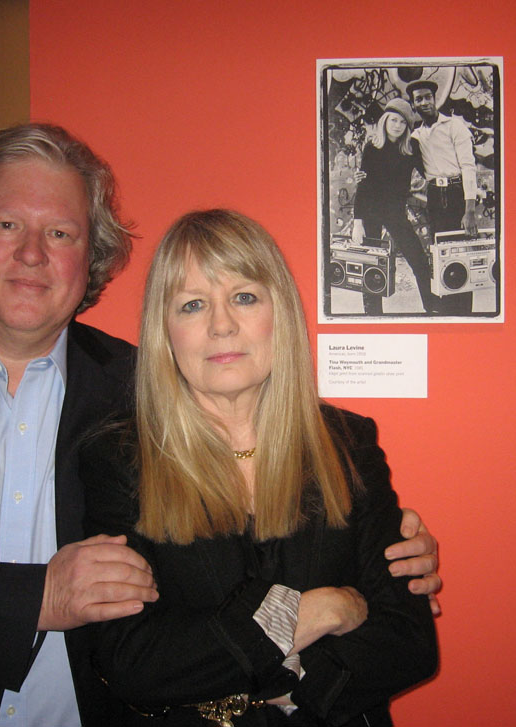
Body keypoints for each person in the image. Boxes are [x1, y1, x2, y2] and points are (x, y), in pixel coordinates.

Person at [0, 124, 439, 727]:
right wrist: (33, 599)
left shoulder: (138, 386)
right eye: (7, 224)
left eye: (61, 234)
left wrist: (391, 563)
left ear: (93, 258)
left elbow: (394, 621)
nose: (31, 253)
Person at [80, 209, 438, 726]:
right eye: (193, 304)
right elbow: (131, 660)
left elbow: (408, 640)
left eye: (244, 297)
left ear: (281, 312)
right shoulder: (119, 458)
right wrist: (312, 613)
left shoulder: (347, 444)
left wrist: (297, 691)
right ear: (165, 331)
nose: (222, 324)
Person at [352, 98, 439, 315]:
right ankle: (373, 314)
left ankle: (432, 308)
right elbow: (364, 186)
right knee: (372, 265)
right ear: (385, 120)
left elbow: (429, 172)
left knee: (419, 260)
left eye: (403, 122)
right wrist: (357, 222)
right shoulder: (373, 147)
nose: (397, 125)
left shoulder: (411, 148)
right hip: (371, 212)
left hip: (395, 213)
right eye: (394, 120)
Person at [407, 79, 479, 314]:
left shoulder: (454, 126)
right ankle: (448, 312)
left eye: (428, 97)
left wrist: (470, 210)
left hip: (457, 194)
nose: (424, 102)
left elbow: (468, 166)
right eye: (419, 99)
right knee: (442, 254)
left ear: (435, 99)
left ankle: (464, 313)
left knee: (461, 254)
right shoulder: (417, 136)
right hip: (436, 197)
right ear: (413, 103)